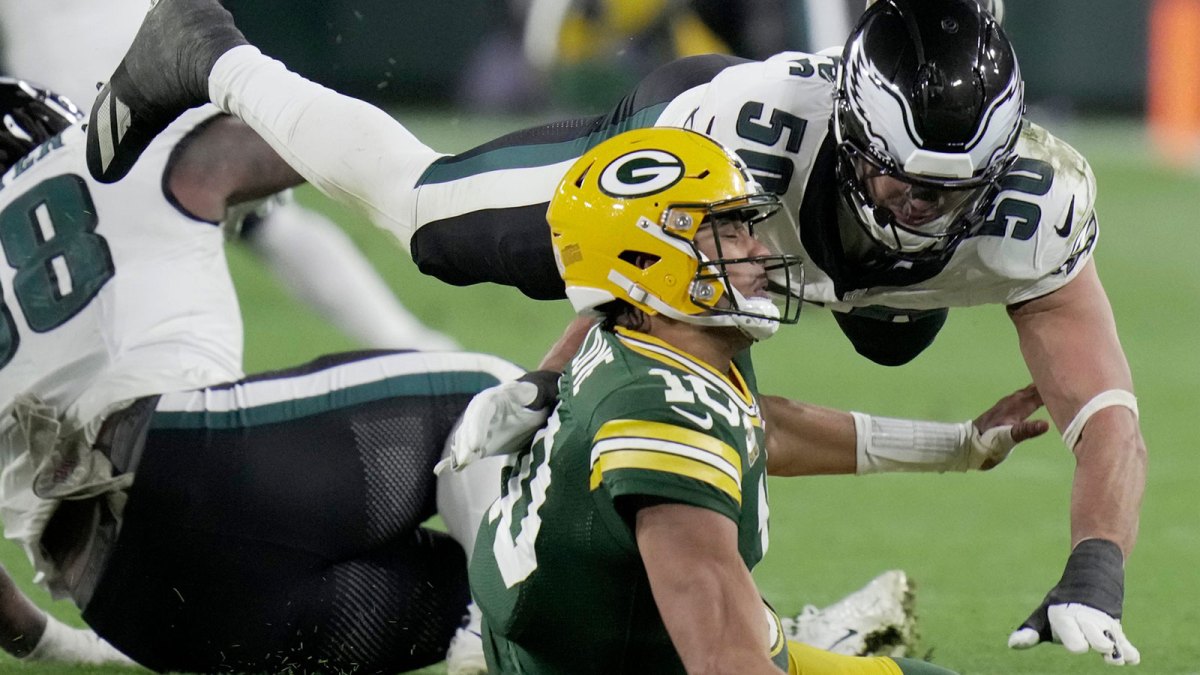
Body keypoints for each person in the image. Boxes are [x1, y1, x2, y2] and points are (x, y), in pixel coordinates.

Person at [86, 0, 1145, 665]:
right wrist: (555, 381)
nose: (923, 212)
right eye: (904, 183)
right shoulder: (749, 144)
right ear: (856, 128)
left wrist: (1095, 567)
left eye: (953, 194)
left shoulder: (1032, 207)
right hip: (678, 147)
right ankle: (209, 50)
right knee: (427, 219)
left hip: (777, 257)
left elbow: (1104, 410)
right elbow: (645, 328)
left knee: (869, 341)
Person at [467, 126, 1046, 673]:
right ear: (646, 259)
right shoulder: (657, 414)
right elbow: (723, 660)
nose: (760, 252)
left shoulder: (663, 335)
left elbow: (755, 428)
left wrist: (958, 446)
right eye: (731, 230)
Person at [0, 76, 526, 673]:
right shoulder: (96, 162)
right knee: (491, 399)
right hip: (193, 461)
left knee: (480, 590)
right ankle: (496, 622)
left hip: (128, 606)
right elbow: (305, 139)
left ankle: (495, 627)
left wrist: (56, 644)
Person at [0, 0, 458, 352]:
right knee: (264, 226)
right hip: (151, 66)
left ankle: (410, 338)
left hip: (118, 85)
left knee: (136, 252)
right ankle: (412, 341)